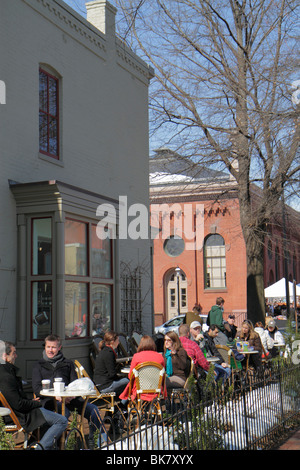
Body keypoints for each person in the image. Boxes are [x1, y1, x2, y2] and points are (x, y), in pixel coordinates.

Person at [32, 334, 106, 448]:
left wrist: (71, 396)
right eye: (48, 347)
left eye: (53, 347)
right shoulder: (39, 365)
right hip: (49, 400)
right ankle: (56, 445)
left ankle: (98, 441)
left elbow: (75, 384)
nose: (50, 350)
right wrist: (56, 396)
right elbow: (37, 389)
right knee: (63, 413)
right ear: (45, 347)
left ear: (59, 348)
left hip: (70, 399)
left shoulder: (67, 363)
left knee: (94, 410)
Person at [0, 340, 68, 450]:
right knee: (61, 421)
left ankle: (34, 444)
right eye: (14, 353)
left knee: (49, 418)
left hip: (16, 413)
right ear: (5, 355)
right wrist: (35, 403)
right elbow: (18, 404)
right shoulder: (6, 377)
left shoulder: (6, 372)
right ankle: (39, 449)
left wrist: (32, 402)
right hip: (18, 416)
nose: (16, 356)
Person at [119, 335, 166, 402]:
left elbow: (130, 376)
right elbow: (163, 375)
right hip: (156, 389)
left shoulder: (136, 356)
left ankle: (123, 406)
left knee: (130, 386)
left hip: (139, 389)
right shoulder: (160, 357)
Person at [93, 331, 129, 398]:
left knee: (125, 381)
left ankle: (122, 401)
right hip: (105, 386)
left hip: (99, 384)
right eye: (118, 340)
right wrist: (120, 377)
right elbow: (112, 374)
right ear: (113, 341)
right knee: (130, 381)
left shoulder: (104, 350)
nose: (118, 342)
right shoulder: (109, 353)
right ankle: (124, 403)